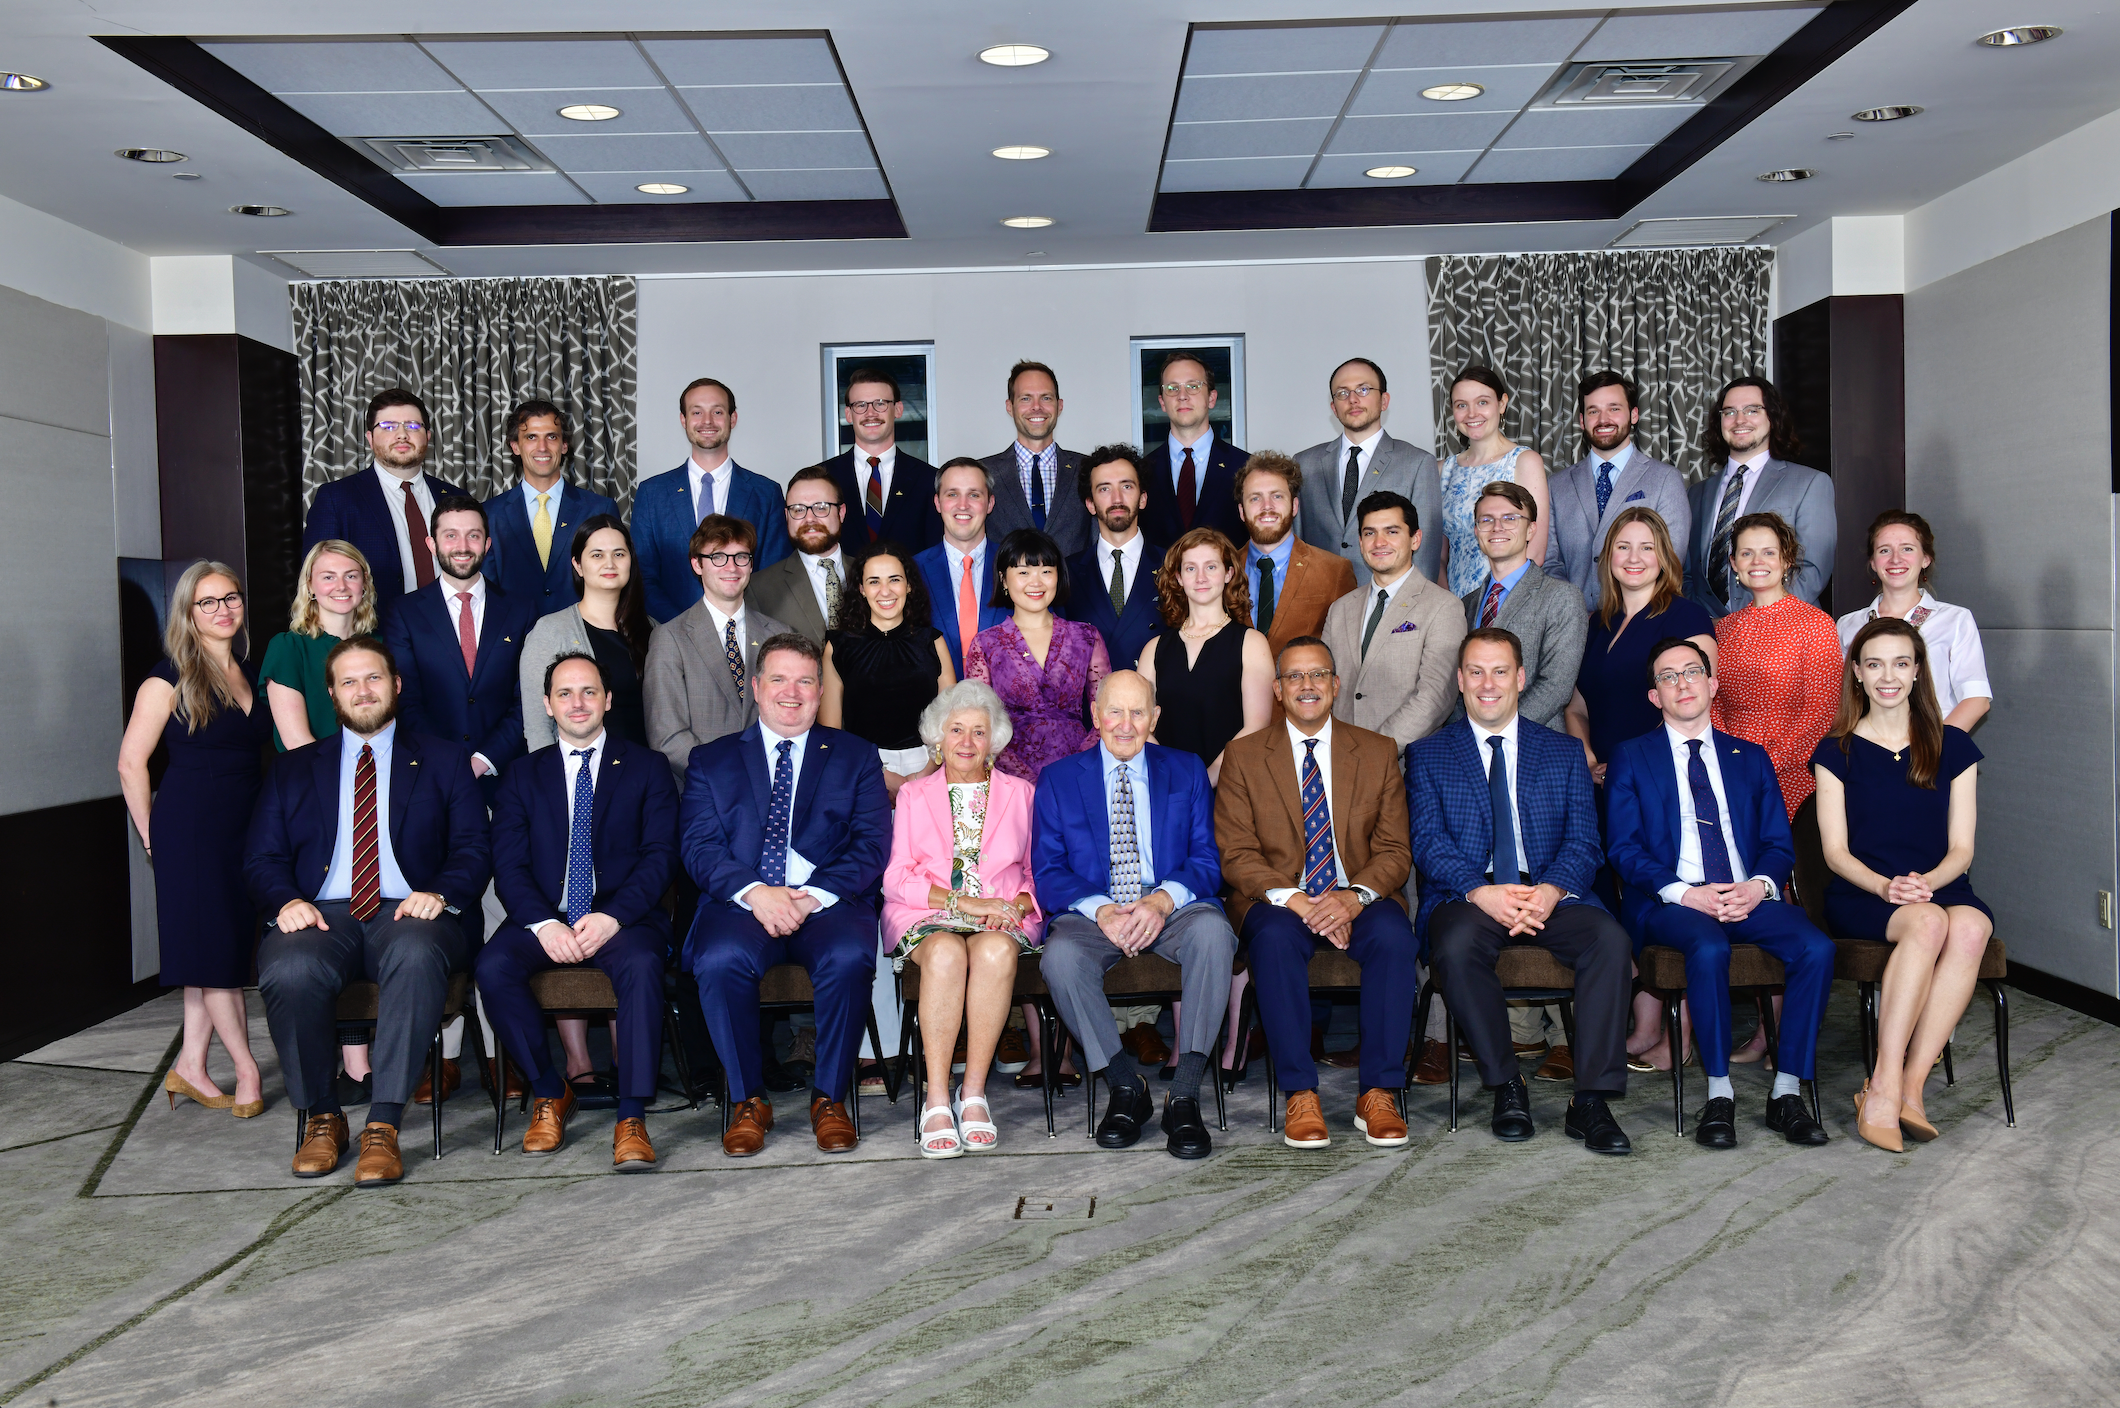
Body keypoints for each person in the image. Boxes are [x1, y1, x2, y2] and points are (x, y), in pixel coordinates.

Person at [245, 635, 491, 1185]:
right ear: (331, 694)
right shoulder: (293, 769)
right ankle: (323, 1116)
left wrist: (442, 892)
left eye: (374, 678)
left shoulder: (444, 759)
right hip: (321, 912)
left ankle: (383, 1124)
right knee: (289, 964)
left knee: (415, 947)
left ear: (396, 685)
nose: (363, 691)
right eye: (349, 681)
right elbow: (261, 856)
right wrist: (286, 901)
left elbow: (475, 847)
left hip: (414, 909)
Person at [1405, 628, 1634, 1154]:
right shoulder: (1430, 754)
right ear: (1460, 680)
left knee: (1610, 941)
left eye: (1500, 671)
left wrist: (1552, 890)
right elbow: (1428, 842)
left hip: (1549, 892)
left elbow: (1584, 840)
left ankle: (1592, 1101)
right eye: (1477, 672)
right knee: (1456, 948)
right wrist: (1479, 891)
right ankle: (1507, 1084)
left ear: (1521, 678)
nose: (1489, 684)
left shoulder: (1561, 751)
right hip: (1469, 896)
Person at [1605, 639, 1833, 1148]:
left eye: (1692, 672)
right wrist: (1686, 894)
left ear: (1712, 684)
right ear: (1654, 696)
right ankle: (1719, 1094)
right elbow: (1624, 849)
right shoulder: (1631, 758)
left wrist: (1758, 887)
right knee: (1708, 947)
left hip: (1745, 893)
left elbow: (1778, 843)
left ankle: (1787, 1092)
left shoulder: (1750, 759)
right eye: (1668, 676)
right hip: (1673, 902)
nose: (1682, 683)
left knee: (1816, 947)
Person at [681, 634, 892, 1157]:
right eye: (778, 679)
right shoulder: (711, 760)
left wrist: (812, 896)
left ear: (821, 692)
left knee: (849, 955)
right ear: (756, 687)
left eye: (804, 681)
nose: (791, 692)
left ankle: (829, 1098)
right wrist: (757, 893)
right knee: (718, 957)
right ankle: (749, 1100)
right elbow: (699, 847)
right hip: (742, 904)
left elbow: (871, 844)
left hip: (826, 903)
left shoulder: (856, 756)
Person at [477, 653, 679, 1169]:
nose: (578, 703)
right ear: (547, 705)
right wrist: (545, 923)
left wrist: (613, 916)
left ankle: (631, 1114)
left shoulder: (647, 767)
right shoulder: (521, 776)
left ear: (608, 700)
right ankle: (550, 1092)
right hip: (545, 915)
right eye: (564, 694)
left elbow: (660, 857)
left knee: (640, 964)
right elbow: (510, 864)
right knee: (492, 967)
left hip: (623, 918)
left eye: (589, 691)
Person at [1214, 636, 1417, 1148]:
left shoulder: (1375, 751)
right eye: (1295, 677)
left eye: (1318, 675)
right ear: (1278, 689)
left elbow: (1394, 850)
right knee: (1275, 943)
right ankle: (1299, 1093)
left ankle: (1378, 1091)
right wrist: (1299, 900)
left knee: (1396, 940)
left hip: (1359, 896)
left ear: (1336, 684)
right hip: (1280, 899)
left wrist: (1353, 898)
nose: (1308, 685)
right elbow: (1237, 854)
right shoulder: (1243, 757)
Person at [1033, 671, 1235, 1159]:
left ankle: (1184, 1093)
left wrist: (1163, 899)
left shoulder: (1185, 770)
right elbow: (1049, 871)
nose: (1125, 724)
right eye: (1115, 711)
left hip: (1168, 902)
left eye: (1138, 712)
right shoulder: (1059, 778)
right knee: (1059, 959)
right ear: (1096, 715)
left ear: (1155, 718)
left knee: (1214, 934)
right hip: (1093, 906)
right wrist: (1101, 909)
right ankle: (1126, 1088)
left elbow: (1208, 858)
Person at [1813, 619, 1993, 1152]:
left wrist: (1927, 882)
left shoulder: (1953, 746)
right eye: (1874, 664)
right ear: (1858, 675)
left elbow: (1962, 848)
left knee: (1971, 927)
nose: (1887, 675)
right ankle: (1884, 1085)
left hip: (1938, 882)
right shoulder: (1835, 751)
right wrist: (1888, 887)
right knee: (1929, 921)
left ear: (1917, 672)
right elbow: (1834, 853)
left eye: (1900, 663)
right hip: (1864, 891)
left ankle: (1911, 1086)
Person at [117, 560, 273, 1119]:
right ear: (187, 612)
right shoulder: (168, 677)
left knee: (214, 949)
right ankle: (248, 1068)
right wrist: (152, 837)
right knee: (217, 959)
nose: (223, 609)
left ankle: (190, 1066)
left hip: (244, 827)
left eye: (231, 598)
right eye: (208, 602)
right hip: (190, 829)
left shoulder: (251, 672)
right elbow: (131, 763)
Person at [882, 681, 1044, 1156]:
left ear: (994, 740)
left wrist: (1014, 908)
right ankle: (935, 1096)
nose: (967, 742)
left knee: (994, 951)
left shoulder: (1022, 794)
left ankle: (972, 1093)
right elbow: (895, 878)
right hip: (928, 911)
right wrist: (963, 904)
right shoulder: (913, 796)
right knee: (948, 953)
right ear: (938, 737)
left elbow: (1037, 874)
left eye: (979, 731)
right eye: (956, 730)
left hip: (1001, 916)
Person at [381, 495, 538, 808]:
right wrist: (450, 764)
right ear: (431, 543)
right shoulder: (403, 613)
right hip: (431, 778)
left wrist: (481, 761)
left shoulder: (522, 611)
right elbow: (404, 700)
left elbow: (529, 700)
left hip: (506, 778)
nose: (463, 546)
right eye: (450, 535)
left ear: (488, 544)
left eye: (473, 536)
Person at [1563, 506, 1716, 790]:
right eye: (1623, 547)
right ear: (1609, 556)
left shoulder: (1688, 618)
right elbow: (1577, 708)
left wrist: (1629, 763)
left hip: (1659, 777)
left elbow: (1694, 705)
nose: (1634, 558)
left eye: (1647, 547)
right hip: (1599, 781)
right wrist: (1589, 761)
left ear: (1664, 557)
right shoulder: (1596, 623)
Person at [1710, 513, 1843, 822]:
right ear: (1733, 563)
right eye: (1747, 553)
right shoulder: (1723, 629)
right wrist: (1728, 757)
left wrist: (1770, 761)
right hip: (1728, 769)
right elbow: (1711, 699)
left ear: (1787, 560)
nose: (1758, 561)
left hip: (1791, 772)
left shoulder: (1816, 624)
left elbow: (1822, 709)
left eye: (1769, 552)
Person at [643, 514, 793, 780]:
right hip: (704, 796)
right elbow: (666, 737)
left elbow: (793, 716)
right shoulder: (669, 638)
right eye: (718, 557)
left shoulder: (780, 635)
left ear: (750, 565)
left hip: (775, 785)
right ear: (697, 564)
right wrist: (728, 777)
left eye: (741, 557)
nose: (731, 567)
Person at [633, 378, 793, 624]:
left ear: (733, 419)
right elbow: (643, 576)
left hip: (746, 634)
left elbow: (772, 575)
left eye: (717, 411)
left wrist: (738, 623)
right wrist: (685, 628)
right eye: (697, 412)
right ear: (683, 420)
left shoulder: (766, 492)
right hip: (672, 635)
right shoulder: (651, 493)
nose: (707, 421)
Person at [1321, 491, 1466, 754]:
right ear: (1360, 542)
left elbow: (1436, 697)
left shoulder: (1444, 607)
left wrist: (1374, 752)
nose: (1379, 542)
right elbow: (1324, 685)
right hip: (1338, 760)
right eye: (1369, 533)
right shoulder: (1340, 609)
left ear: (1415, 539)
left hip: (1405, 767)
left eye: (1392, 531)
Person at [301, 388, 467, 611]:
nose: (402, 435)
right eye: (388, 426)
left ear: (427, 436)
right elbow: (317, 578)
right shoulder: (336, 499)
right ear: (370, 438)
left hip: (452, 632)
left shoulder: (458, 498)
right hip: (373, 635)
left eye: (412, 426)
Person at [965, 529, 1112, 781]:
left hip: (1079, 774)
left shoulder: (1086, 636)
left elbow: (1109, 710)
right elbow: (979, 723)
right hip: (1008, 780)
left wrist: (1076, 767)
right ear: (1003, 579)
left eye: (1046, 571)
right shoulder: (985, 643)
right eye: (1023, 572)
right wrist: (1026, 779)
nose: (1036, 582)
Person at [1685, 376, 1836, 617]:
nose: (1740, 420)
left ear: (1773, 418)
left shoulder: (1810, 483)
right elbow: (1688, 575)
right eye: (1729, 412)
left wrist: (1757, 623)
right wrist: (1702, 621)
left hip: (1783, 633)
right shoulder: (1696, 493)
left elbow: (1812, 571)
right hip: (1710, 636)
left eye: (1752, 410)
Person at [1544, 372, 1692, 612]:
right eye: (1593, 411)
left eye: (1614, 409)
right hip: (1572, 625)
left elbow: (1670, 560)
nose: (1603, 420)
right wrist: (1573, 612)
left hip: (1643, 622)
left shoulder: (1665, 479)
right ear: (1582, 421)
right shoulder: (1556, 485)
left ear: (1633, 415)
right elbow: (1549, 562)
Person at [1136, 528, 1274, 785]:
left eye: (1211, 567)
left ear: (1228, 573)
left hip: (1231, 789)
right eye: (1190, 569)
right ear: (1178, 577)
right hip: (1168, 787)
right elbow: (1140, 723)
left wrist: (1203, 780)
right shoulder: (1153, 649)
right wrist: (1174, 779)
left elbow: (1256, 726)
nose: (1200, 577)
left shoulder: (1252, 643)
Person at [1836, 510, 1991, 732]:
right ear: (1872, 562)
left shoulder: (1955, 620)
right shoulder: (1847, 625)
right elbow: (1839, 699)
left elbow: (1976, 700)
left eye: (1907, 549)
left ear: (1926, 559)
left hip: (1933, 751)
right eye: (1884, 550)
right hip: (1866, 752)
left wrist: (1931, 751)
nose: (1895, 559)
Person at [821, 541, 955, 797]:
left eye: (894, 580)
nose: (885, 591)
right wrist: (880, 774)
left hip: (931, 766)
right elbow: (831, 731)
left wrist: (925, 773)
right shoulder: (838, 646)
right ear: (861, 589)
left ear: (909, 585)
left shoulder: (933, 641)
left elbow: (951, 721)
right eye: (874, 581)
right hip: (862, 767)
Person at [1296, 358, 1443, 586]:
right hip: (1319, 601)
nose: (1353, 399)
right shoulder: (1305, 463)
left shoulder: (1418, 463)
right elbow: (1297, 545)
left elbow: (1426, 554)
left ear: (1384, 400)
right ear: (1334, 407)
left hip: (1388, 603)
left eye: (1363, 389)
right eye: (1342, 393)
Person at [1457, 481, 1586, 732]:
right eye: (1486, 520)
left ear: (1530, 530)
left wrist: (1498, 732)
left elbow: (1556, 686)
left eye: (1510, 518)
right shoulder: (1465, 605)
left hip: (1535, 745)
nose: (1497, 527)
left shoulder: (1562, 597)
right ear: (1476, 530)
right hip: (1469, 751)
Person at [518, 515, 652, 751]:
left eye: (619, 554)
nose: (609, 563)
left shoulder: (656, 630)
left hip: (648, 775)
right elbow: (537, 727)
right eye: (597, 555)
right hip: (581, 777)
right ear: (578, 565)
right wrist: (552, 782)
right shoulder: (549, 632)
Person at [480, 399, 620, 614]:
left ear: (564, 445)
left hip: (584, 637)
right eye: (531, 437)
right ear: (515, 446)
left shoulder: (600, 509)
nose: (542, 447)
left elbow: (615, 585)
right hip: (514, 641)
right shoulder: (489, 514)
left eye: (551, 437)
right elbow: (486, 590)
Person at [1437, 366, 1551, 597]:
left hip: (1508, 601)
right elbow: (1438, 554)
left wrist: (1495, 604)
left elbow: (1536, 551)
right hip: (1455, 606)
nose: (1471, 414)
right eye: (1461, 405)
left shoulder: (1524, 461)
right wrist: (1448, 604)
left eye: (1482, 402)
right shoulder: (1443, 470)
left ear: (1501, 404)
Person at [1237, 452, 1355, 665]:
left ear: (1295, 506)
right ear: (1241, 511)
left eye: (1277, 496)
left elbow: (1347, 657)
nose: (1267, 506)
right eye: (1255, 498)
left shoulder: (1335, 571)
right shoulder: (1221, 571)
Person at [261, 540, 380, 751]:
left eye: (351, 576)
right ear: (310, 586)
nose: (341, 586)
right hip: (313, 776)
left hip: (380, 776)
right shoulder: (289, 648)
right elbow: (296, 743)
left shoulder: (381, 645)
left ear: (364, 584)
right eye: (328, 577)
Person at [1060, 444, 1166, 672]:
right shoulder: (1067, 572)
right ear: (1090, 504)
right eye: (1104, 489)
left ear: (1143, 498)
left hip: (1156, 702)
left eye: (1126, 486)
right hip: (1093, 704)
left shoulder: (1173, 565)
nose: (1117, 498)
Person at [812, 366, 942, 551]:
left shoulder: (929, 479)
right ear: (848, 414)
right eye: (860, 405)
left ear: (898, 409)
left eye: (880, 403)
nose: (870, 413)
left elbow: (934, 551)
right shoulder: (823, 478)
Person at [1139, 350, 1247, 546]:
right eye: (1172, 388)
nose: (1182, 396)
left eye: (1193, 386)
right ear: (1162, 402)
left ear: (1212, 398)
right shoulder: (1141, 472)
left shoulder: (1246, 467)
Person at [915, 458, 1011, 677]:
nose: (963, 505)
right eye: (952, 494)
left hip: (1005, 707)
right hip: (935, 705)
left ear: (990, 503)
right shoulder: (911, 571)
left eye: (974, 495)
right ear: (938, 503)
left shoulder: (1016, 567)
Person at [982, 361, 1090, 556]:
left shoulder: (1087, 469)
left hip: (1075, 586)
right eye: (1025, 399)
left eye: (1046, 398)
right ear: (1010, 406)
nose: (1037, 407)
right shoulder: (983, 473)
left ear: (1060, 405)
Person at [749, 465, 852, 647]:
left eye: (821, 508)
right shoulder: (758, 589)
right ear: (787, 516)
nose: (809, 518)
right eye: (798, 509)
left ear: (841, 512)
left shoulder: (872, 574)